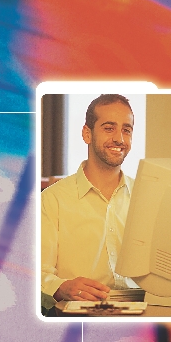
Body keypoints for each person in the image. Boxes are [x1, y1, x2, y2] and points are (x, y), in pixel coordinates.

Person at [41, 94, 137, 310]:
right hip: (79, 315)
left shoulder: (145, 197)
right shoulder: (52, 199)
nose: (119, 139)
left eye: (126, 130)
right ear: (87, 134)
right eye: (109, 128)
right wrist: (61, 286)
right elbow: (36, 272)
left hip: (143, 313)